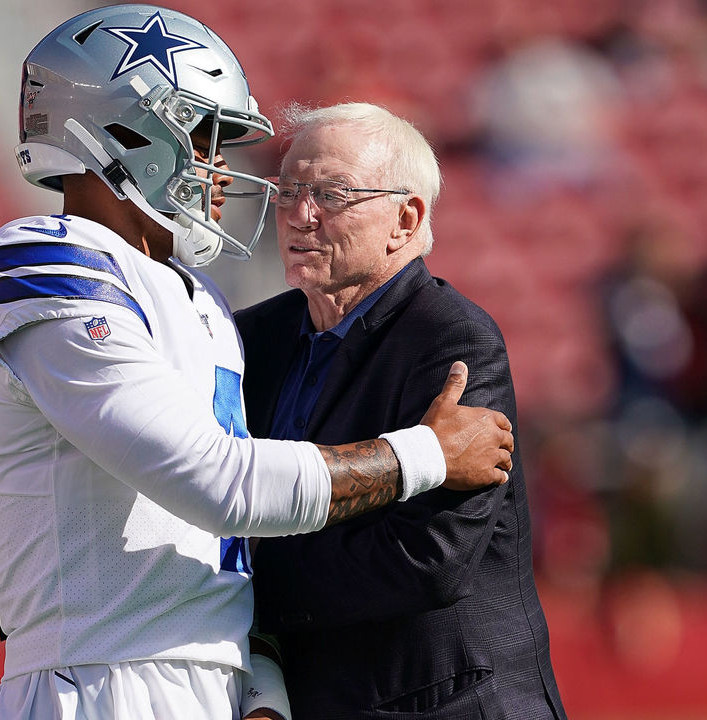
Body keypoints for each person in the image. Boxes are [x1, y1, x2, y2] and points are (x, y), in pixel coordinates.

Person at [0, 7, 516, 720]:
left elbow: (221, 548)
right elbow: (215, 483)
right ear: (125, 128)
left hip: (210, 690)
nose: (223, 169)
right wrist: (424, 454)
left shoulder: (205, 305)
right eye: (204, 136)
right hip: (97, 686)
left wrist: (260, 691)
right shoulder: (42, 257)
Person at [234, 103, 567, 719]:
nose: (300, 216)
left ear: (405, 218)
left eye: (331, 195)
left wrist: (239, 588)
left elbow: (427, 557)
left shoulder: (452, 340)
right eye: (288, 191)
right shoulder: (249, 339)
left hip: (450, 704)